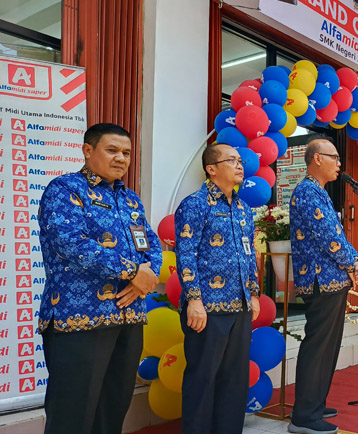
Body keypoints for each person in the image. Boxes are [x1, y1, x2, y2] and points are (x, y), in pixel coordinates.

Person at [37, 123, 162, 434]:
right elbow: (71, 242)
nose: (121, 158)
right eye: (112, 150)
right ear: (88, 150)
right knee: (72, 413)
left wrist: (145, 276)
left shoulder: (131, 199)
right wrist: (133, 272)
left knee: (114, 407)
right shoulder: (65, 189)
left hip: (128, 315)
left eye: (127, 152)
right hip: (80, 318)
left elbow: (150, 244)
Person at [174, 144, 261, 434]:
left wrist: (254, 292)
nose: (240, 165)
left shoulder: (243, 208)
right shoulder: (195, 204)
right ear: (211, 169)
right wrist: (194, 300)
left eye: (240, 161)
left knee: (235, 379)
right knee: (203, 378)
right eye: (232, 161)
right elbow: (185, 255)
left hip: (240, 307)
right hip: (207, 309)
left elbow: (249, 254)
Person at [289, 137, 358, 434]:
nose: (339, 164)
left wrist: (354, 260)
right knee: (317, 346)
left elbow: (337, 236)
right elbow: (330, 240)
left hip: (332, 280)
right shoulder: (308, 192)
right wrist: (354, 264)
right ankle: (304, 416)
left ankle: (315, 404)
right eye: (334, 157)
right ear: (317, 158)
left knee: (328, 347)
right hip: (321, 280)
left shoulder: (319, 192)